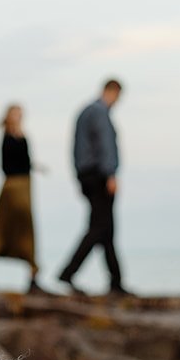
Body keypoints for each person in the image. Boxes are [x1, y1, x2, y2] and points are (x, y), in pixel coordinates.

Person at [57, 79, 131, 297]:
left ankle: (115, 282)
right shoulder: (99, 112)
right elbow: (105, 145)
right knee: (101, 228)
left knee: (105, 229)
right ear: (112, 92)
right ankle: (68, 273)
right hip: (98, 175)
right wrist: (110, 173)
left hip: (87, 175)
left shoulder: (85, 112)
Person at [0, 104, 46, 294]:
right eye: (16, 114)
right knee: (2, 229)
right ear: (8, 116)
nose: (19, 118)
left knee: (26, 231)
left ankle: (32, 274)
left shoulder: (23, 136)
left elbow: (26, 161)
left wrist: (36, 167)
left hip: (25, 185)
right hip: (13, 187)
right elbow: (5, 165)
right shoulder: (6, 138)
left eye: (21, 114)